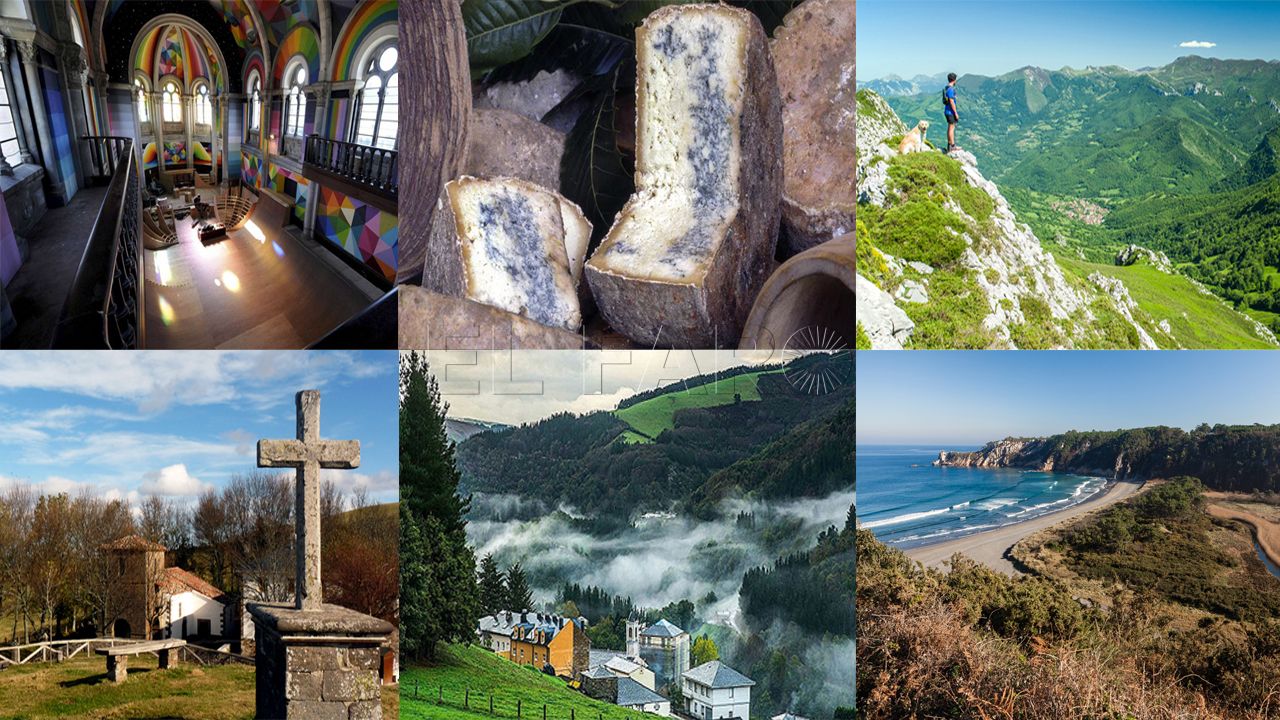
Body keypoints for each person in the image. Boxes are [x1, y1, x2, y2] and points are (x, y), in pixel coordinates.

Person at [943, 72, 960, 153]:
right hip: (950, 112)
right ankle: (952, 146)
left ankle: (949, 145)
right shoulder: (951, 89)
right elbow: (951, 101)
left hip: (947, 111)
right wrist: (955, 113)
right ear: (954, 80)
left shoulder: (947, 87)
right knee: (951, 129)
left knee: (950, 128)